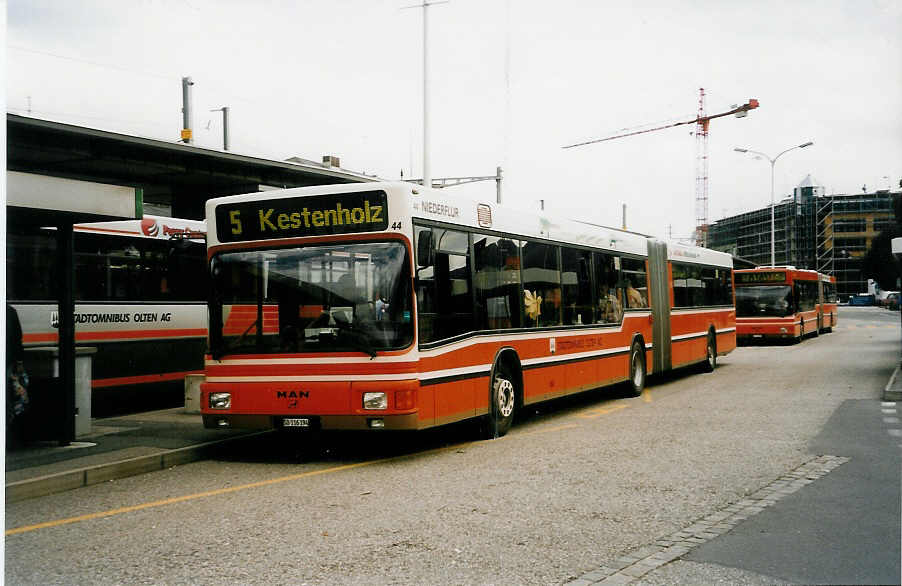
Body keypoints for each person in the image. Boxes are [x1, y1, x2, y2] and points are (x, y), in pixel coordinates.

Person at [7, 304, 29, 446]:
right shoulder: (10, 311)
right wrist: (19, 363)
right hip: (8, 362)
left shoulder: (10, 312)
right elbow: (17, 340)